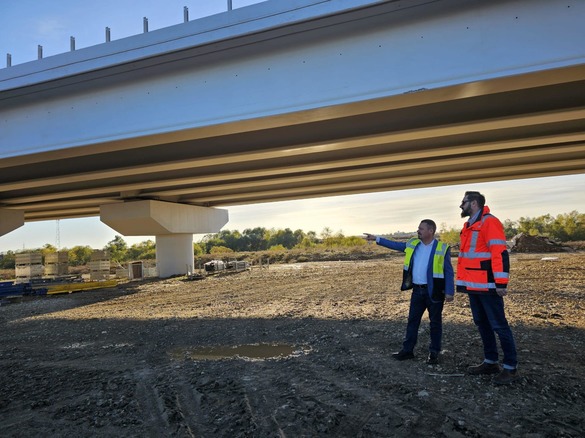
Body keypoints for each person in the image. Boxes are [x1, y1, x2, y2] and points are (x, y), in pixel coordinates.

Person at [364, 219, 454, 365]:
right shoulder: (413, 244)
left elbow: (449, 271)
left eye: (421, 229)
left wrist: (450, 291)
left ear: (430, 231)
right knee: (412, 321)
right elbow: (396, 245)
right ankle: (407, 351)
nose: (418, 231)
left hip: (435, 292)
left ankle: (434, 353)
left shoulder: (442, 248)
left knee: (435, 323)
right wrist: (377, 238)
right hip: (417, 291)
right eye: (418, 228)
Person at [457, 191, 519, 385]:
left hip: (489, 286)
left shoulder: (489, 222)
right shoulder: (469, 225)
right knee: (482, 324)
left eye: (464, 202)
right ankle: (491, 361)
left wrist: (501, 283)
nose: (461, 205)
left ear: (474, 203)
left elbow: (499, 253)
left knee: (499, 326)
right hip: (474, 286)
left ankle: (510, 367)